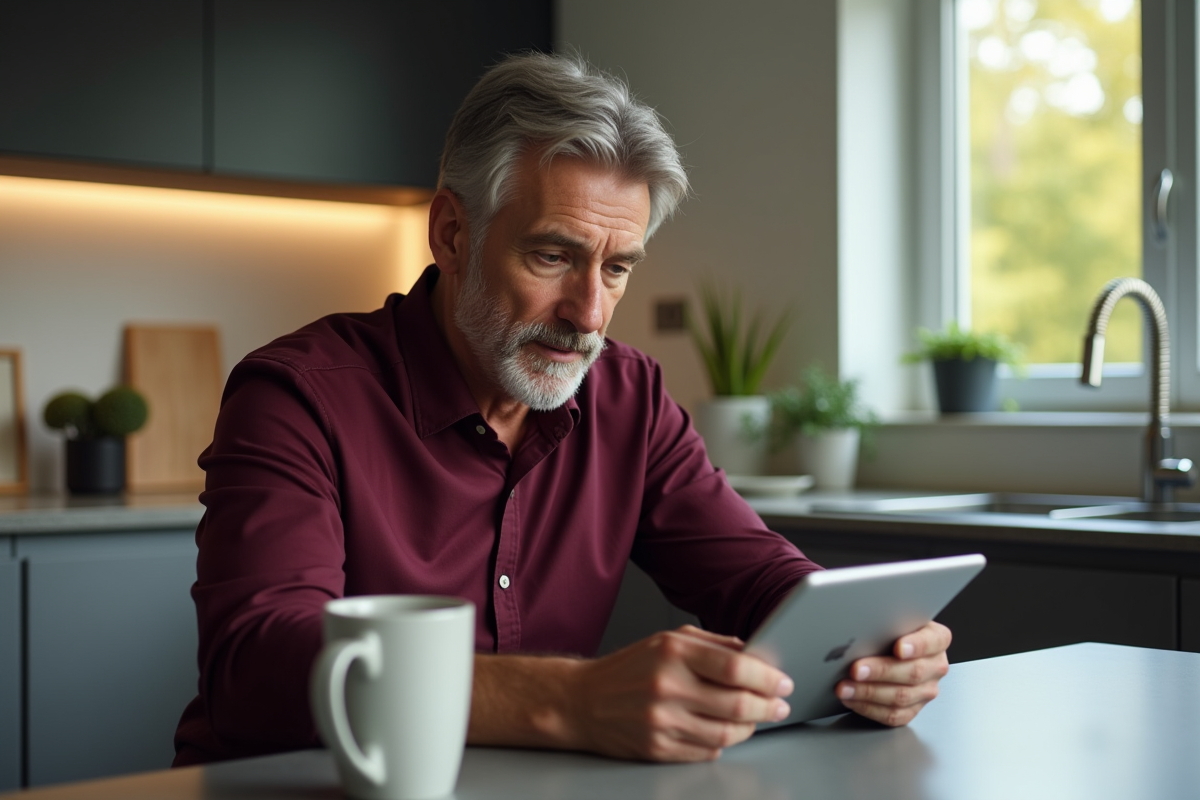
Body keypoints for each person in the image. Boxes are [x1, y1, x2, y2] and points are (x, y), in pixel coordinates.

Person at [173, 52, 951, 767]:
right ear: (452, 233)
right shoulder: (297, 396)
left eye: (617, 268)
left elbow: (757, 577)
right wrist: (569, 699)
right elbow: (258, 665)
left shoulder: (630, 397)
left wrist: (873, 652)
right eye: (553, 256)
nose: (589, 313)